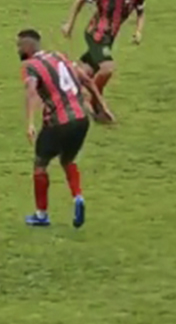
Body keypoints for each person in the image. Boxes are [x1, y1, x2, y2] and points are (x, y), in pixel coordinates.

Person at [16, 29, 113, 228]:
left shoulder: (30, 67)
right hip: (81, 119)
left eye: (19, 46)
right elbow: (87, 80)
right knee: (68, 159)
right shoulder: (59, 56)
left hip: (57, 122)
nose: (18, 50)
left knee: (40, 164)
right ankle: (78, 197)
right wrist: (103, 107)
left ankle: (41, 215)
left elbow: (31, 92)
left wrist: (30, 124)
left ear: (27, 47)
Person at [61, 0, 146, 95]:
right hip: (95, 34)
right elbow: (80, 0)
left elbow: (140, 12)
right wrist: (69, 25)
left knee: (87, 70)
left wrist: (138, 31)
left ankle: (66, 81)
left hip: (109, 38)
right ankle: (95, 98)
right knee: (107, 68)